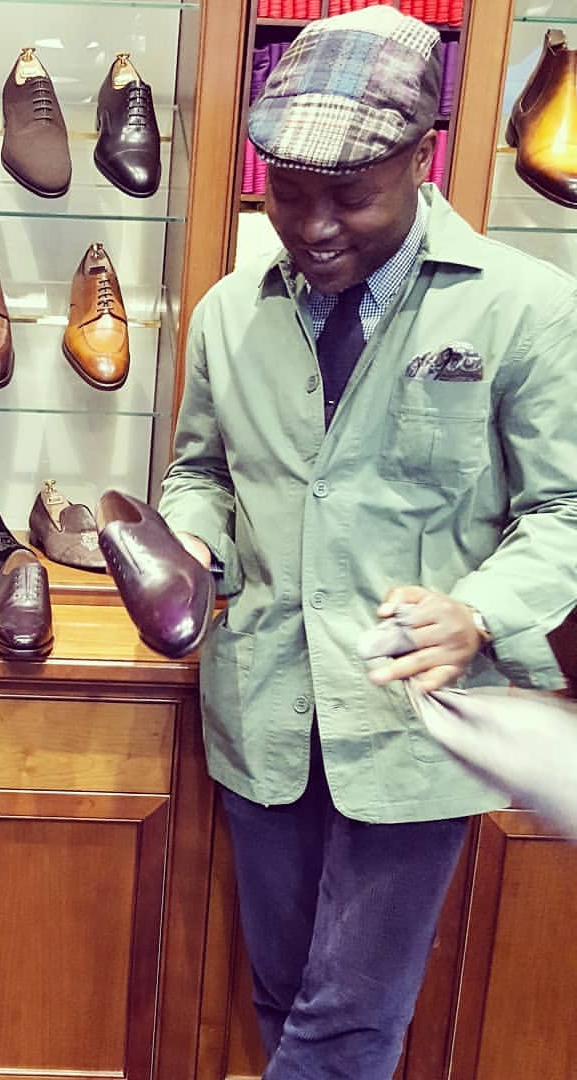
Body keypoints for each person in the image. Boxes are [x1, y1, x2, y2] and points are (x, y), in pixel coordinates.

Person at [157, 7, 577, 1078]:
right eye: (288, 193)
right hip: (263, 709)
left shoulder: (528, 310)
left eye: (350, 195)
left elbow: (566, 511)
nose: (314, 226)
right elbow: (201, 474)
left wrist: (478, 609)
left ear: (421, 156)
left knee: (343, 1027)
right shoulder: (226, 314)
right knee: (279, 993)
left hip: (413, 727)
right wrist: (193, 546)